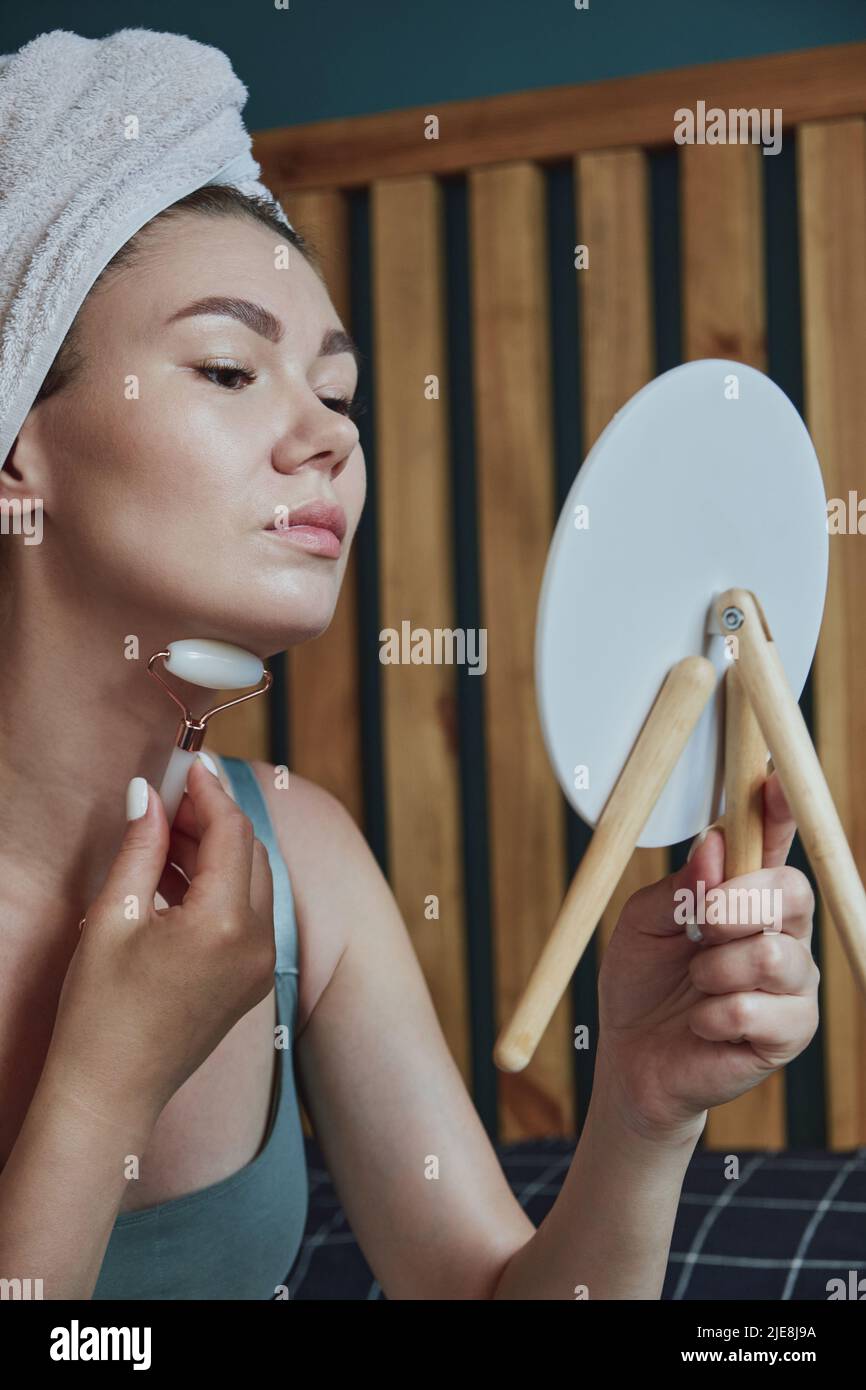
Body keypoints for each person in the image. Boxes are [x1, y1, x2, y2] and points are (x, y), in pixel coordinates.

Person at [0, 32, 819, 1302]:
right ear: (17, 452)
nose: (327, 434)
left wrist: (643, 1118)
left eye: (341, 392)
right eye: (229, 367)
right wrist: (106, 1080)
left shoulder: (304, 868)